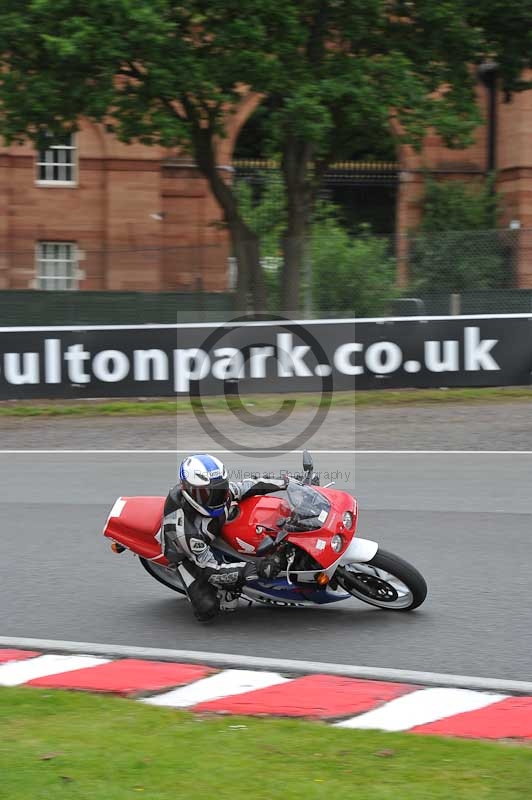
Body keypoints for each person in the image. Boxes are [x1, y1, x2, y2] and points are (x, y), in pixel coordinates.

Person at [162, 453, 286, 621]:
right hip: (189, 557)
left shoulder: (223, 494)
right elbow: (210, 570)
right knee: (208, 609)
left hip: (211, 531)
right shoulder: (186, 531)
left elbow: (251, 485)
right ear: (188, 491)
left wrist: (287, 482)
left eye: (220, 489)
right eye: (207, 494)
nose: (216, 498)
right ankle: (213, 592)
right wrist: (253, 570)